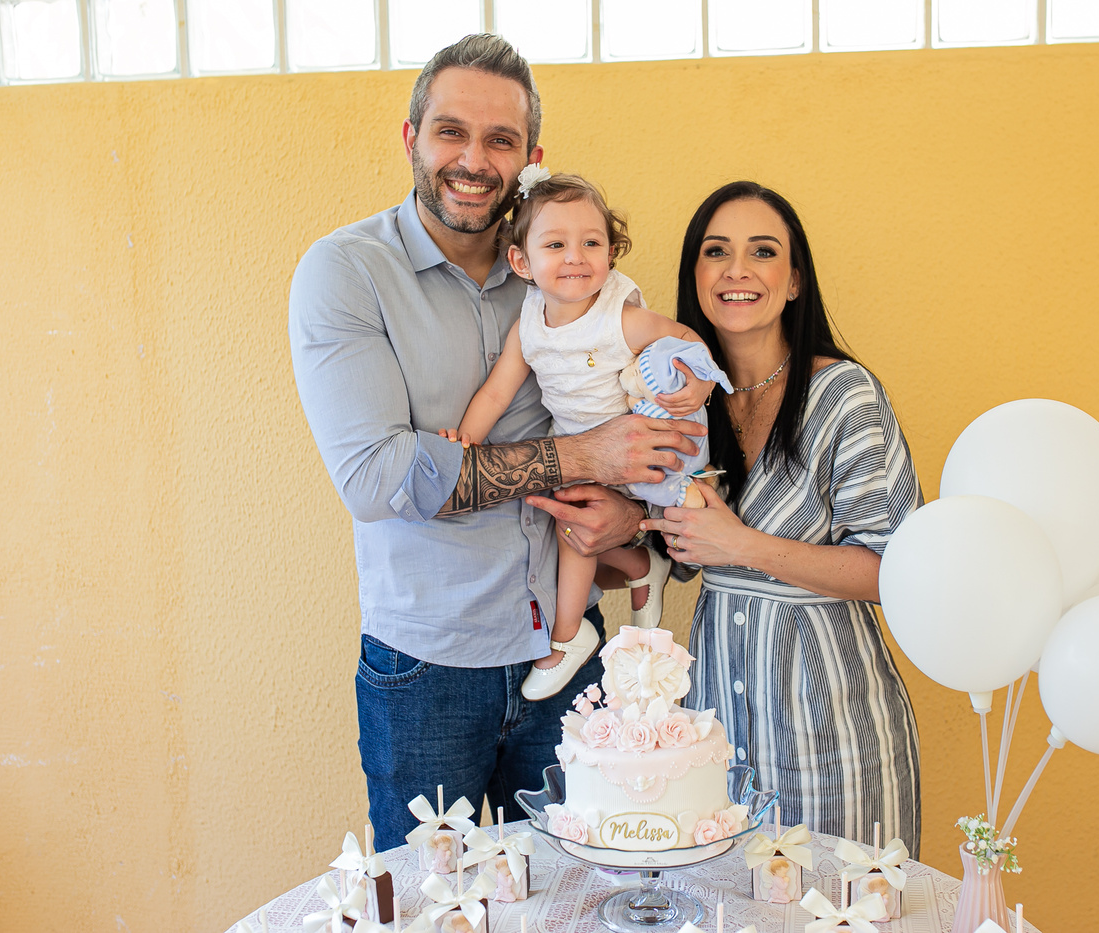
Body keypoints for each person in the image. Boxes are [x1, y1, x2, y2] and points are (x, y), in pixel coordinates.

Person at [288, 34, 703, 850]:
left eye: (501, 140)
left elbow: (639, 418)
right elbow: (379, 479)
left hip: (569, 649)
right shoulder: (346, 273)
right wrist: (585, 458)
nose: (474, 160)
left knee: (583, 887)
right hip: (426, 673)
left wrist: (630, 511)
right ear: (412, 138)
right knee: (433, 894)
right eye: (451, 132)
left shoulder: (566, 268)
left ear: (531, 159)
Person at [643, 181, 924, 856]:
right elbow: (676, 555)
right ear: (695, 277)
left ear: (794, 281)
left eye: (762, 252)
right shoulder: (681, 399)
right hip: (716, 735)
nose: (737, 270)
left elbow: (897, 572)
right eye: (717, 252)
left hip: (835, 739)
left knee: (843, 903)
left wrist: (740, 543)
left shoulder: (844, 395)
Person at [444, 169, 731, 701]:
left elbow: (685, 338)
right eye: (556, 245)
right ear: (522, 262)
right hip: (582, 454)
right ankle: (642, 566)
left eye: (591, 243)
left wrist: (699, 381)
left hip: (636, 450)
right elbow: (497, 392)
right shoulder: (530, 322)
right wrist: (464, 443)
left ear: (611, 253)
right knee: (564, 527)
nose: (575, 257)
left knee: (575, 529)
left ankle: (567, 637)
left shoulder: (618, 318)